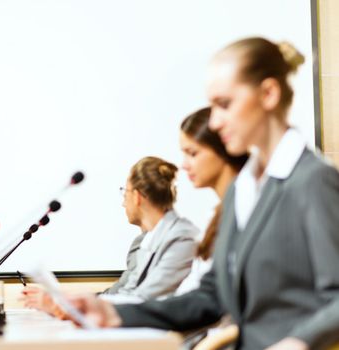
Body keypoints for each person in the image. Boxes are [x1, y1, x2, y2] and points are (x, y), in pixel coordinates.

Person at [70, 37, 339, 350]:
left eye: (224, 104)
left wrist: (298, 343)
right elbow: (210, 298)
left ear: (268, 94)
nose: (214, 121)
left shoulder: (313, 180)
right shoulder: (244, 188)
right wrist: (115, 314)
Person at [22, 156, 199, 313]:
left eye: (125, 192)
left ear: (137, 196)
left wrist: (66, 305)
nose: (123, 203)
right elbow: (122, 293)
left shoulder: (182, 237)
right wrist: (65, 302)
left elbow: (142, 300)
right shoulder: (145, 240)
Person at [175, 106, 247, 295]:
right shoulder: (215, 215)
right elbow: (194, 289)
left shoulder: (248, 209)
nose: (184, 164)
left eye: (193, 153)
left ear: (223, 148)